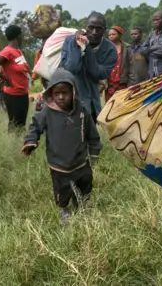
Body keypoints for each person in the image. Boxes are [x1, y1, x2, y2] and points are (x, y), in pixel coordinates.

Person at [22, 68, 102, 221]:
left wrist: (94, 150)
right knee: (61, 190)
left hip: (80, 161)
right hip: (58, 164)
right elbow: (35, 126)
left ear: (73, 91)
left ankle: (82, 206)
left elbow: (92, 134)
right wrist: (31, 141)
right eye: (56, 93)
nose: (60, 97)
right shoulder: (47, 112)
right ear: (50, 93)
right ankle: (64, 210)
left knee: (85, 184)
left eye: (64, 93)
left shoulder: (82, 110)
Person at [60, 12, 117, 121]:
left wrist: (87, 48)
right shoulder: (70, 41)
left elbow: (98, 73)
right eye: (91, 28)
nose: (94, 32)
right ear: (85, 27)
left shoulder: (110, 49)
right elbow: (72, 69)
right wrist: (76, 44)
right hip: (70, 100)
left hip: (91, 103)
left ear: (104, 30)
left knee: (89, 137)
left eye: (99, 29)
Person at [0, 26, 31, 131]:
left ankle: (20, 144)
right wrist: (5, 79)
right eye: (22, 35)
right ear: (18, 36)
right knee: (15, 124)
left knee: (22, 124)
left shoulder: (18, 51)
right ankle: (12, 143)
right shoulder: (7, 51)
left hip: (23, 93)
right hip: (13, 94)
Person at [105, 26, 131, 102]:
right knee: (109, 106)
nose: (111, 36)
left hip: (122, 83)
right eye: (109, 35)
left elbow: (132, 66)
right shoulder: (105, 48)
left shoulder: (127, 48)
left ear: (120, 35)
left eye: (113, 34)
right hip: (109, 83)